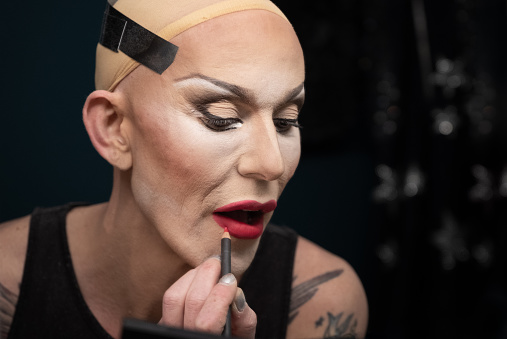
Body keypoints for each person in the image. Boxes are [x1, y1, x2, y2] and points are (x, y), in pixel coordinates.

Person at [0, 0, 368, 338]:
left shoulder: (320, 301)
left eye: (286, 121)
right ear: (113, 128)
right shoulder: (8, 279)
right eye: (221, 118)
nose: (271, 165)